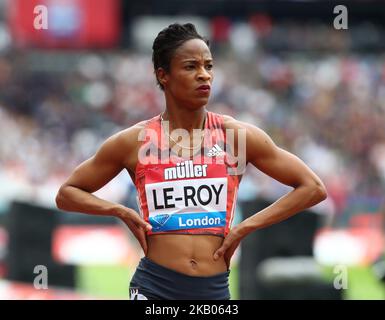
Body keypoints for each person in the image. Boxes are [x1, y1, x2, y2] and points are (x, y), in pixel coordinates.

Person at [55, 23, 327, 300]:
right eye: (190, 67)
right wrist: (119, 211)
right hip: (154, 287)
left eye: (208, 66)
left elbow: (313, 188)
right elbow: (67, 194)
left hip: (213, 291)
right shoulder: (134, 141)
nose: (204, 76)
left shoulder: (234, 136)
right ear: (163, 76)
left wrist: (246, 227)